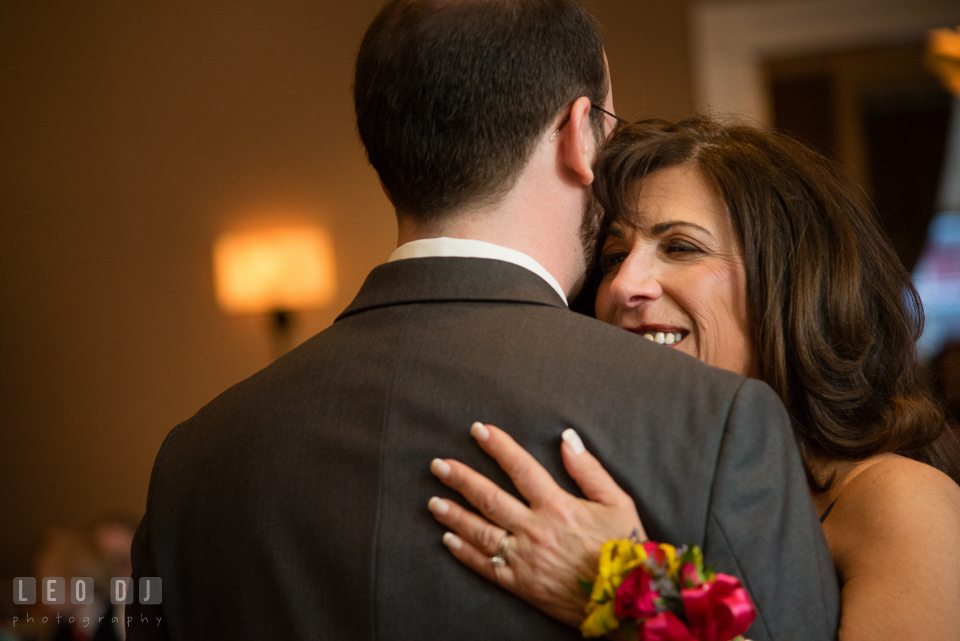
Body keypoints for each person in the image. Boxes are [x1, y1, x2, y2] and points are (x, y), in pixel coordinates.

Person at [129, 2, 838, 639]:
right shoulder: (714, 422)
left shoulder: (193, 460)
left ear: (387, 162)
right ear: (576, 136)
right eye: (607, 127)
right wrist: (638, 591)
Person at [428, 117, 960, 639]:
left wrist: (628, 589)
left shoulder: (899, 500)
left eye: (681, 247)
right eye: (614, 257)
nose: (623, 286)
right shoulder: (616, 481)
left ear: (790, 282)